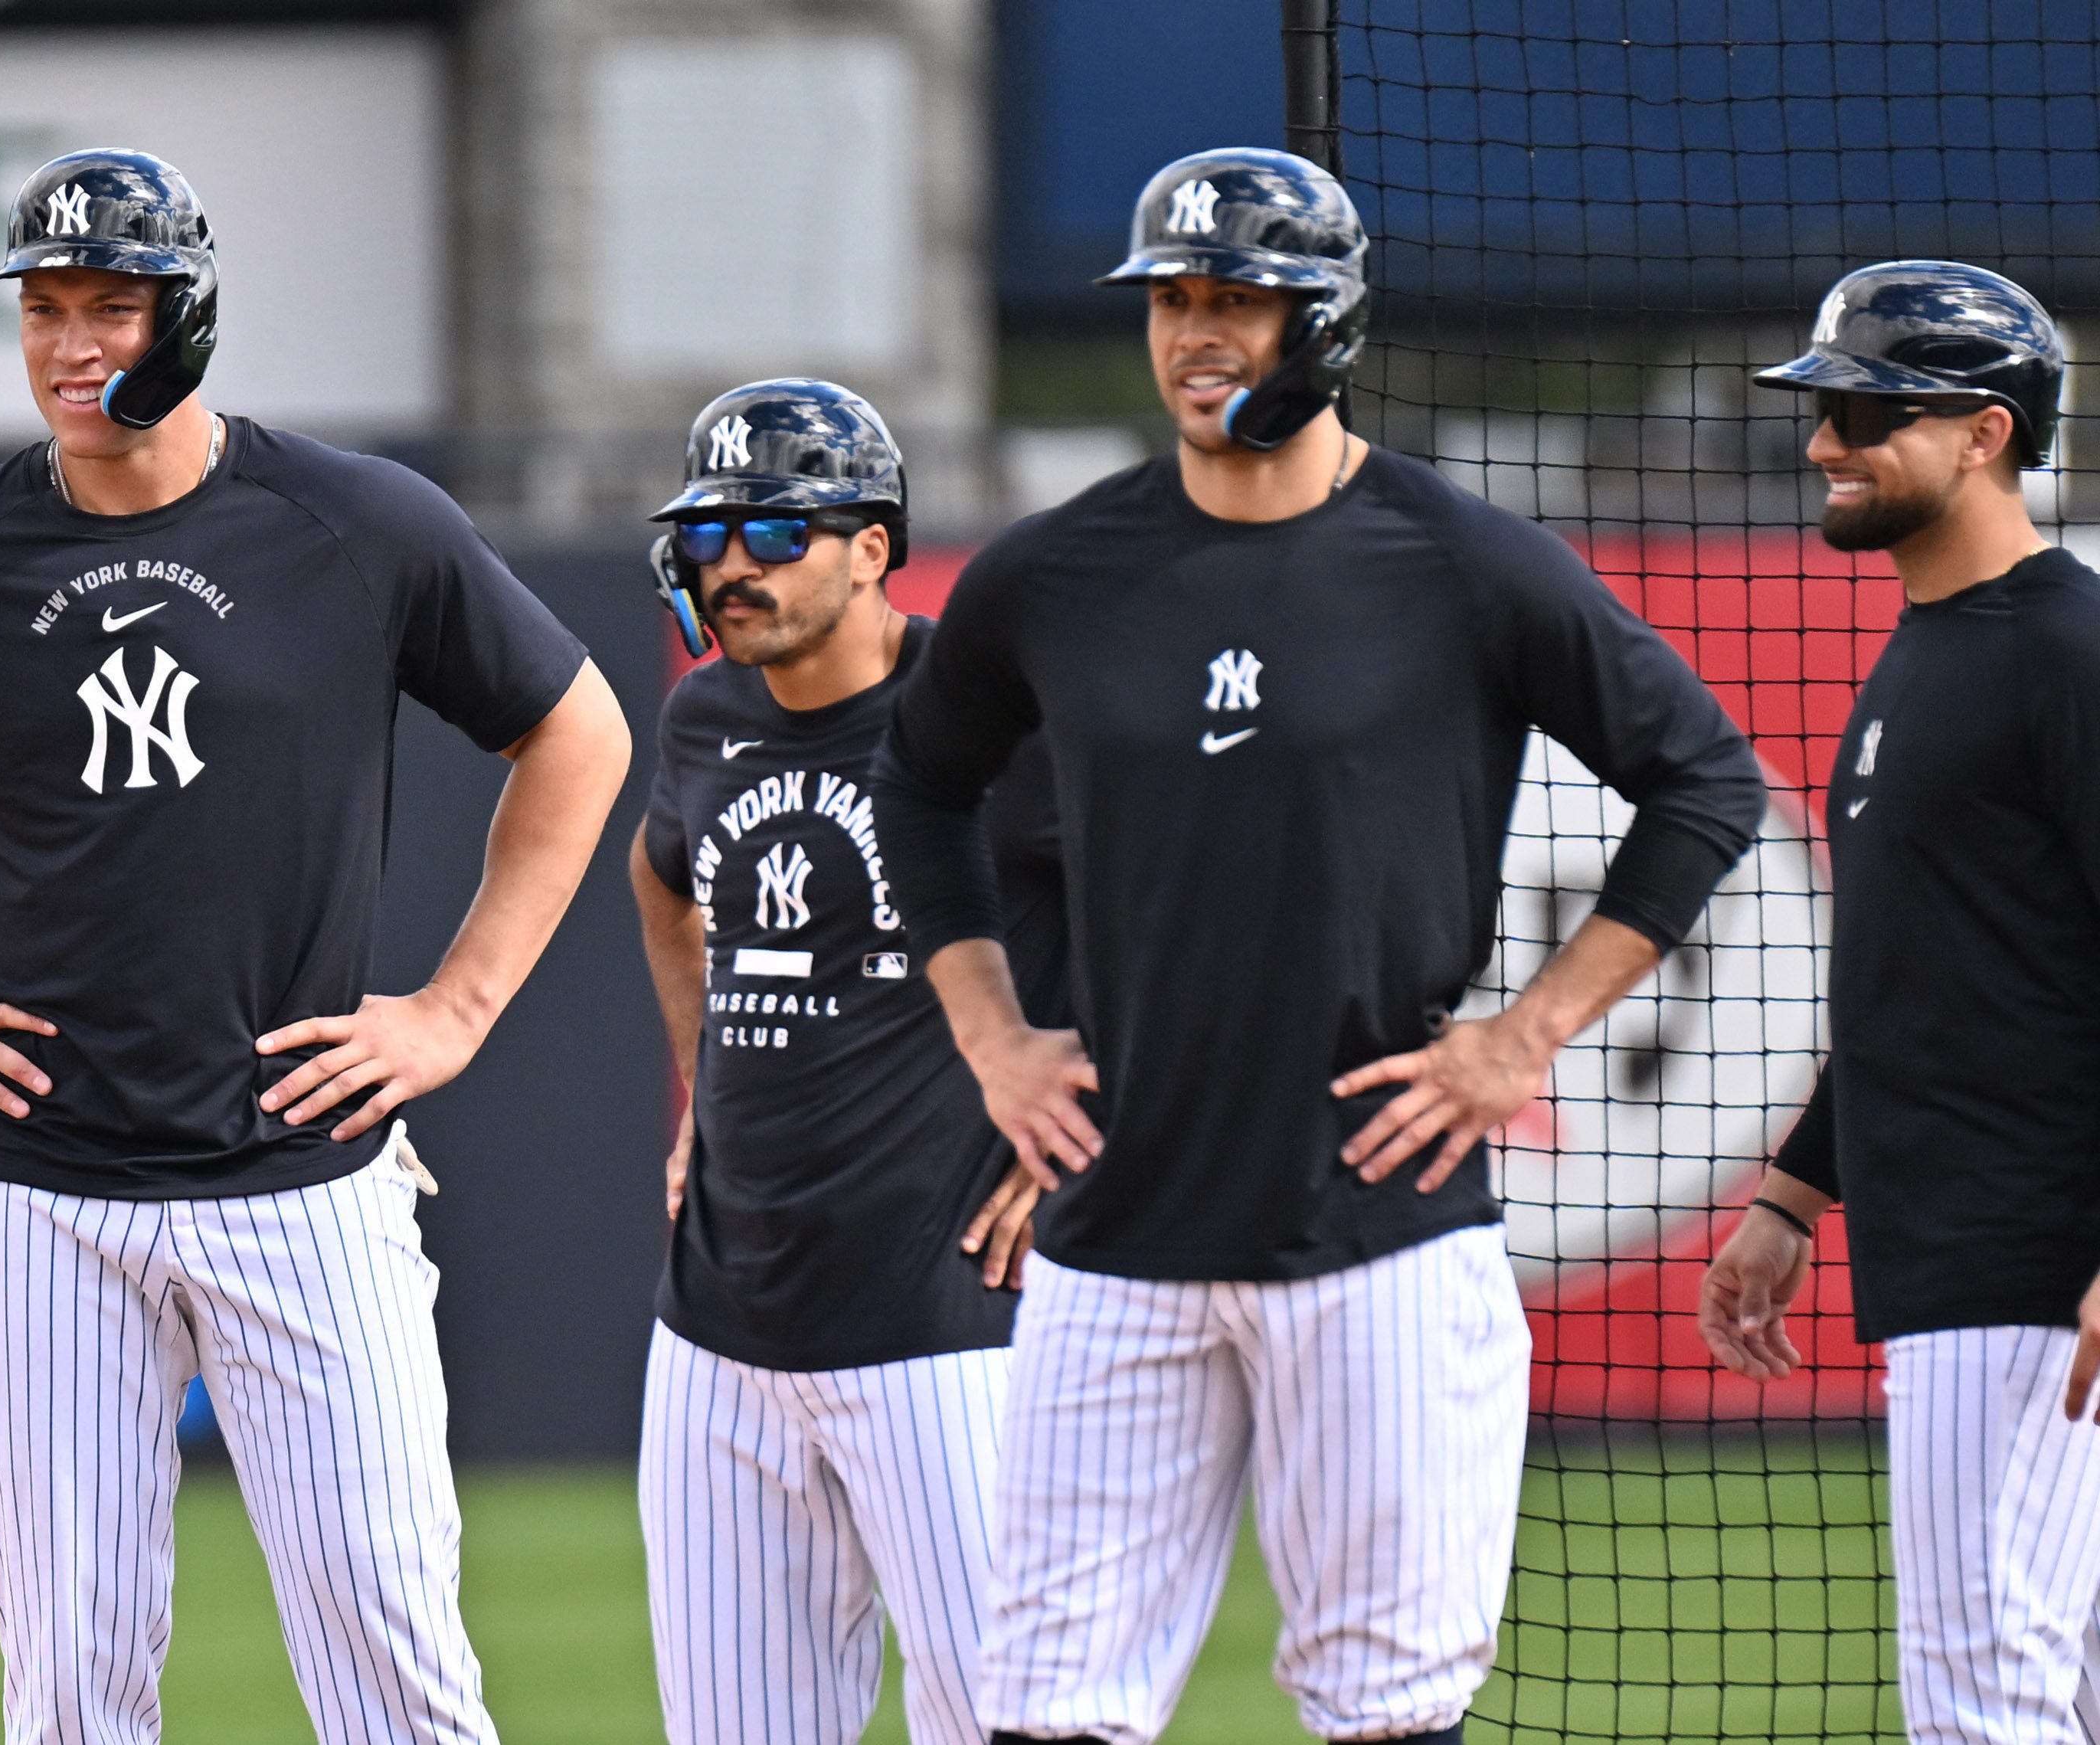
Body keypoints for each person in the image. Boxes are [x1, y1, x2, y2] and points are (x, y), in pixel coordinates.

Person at [869, 146, 1768, 1745]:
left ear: (1328, 327)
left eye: (1239, 304)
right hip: (1115, 1228)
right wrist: (991, 1035)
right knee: (1040, 1710)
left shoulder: (1457, 557)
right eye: (1171, 303)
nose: (1196, 337)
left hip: (1380, 1231)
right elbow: (919, 789)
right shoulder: (1048, 574)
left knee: (1384, 1711)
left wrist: (1523, 1036)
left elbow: (1700, 777)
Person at [0, 148, 630, 1743]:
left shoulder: (354, 524)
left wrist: (454, 1008)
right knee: (71, 1688)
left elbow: (576, 733)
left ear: (190, 314)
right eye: (47, 309)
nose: (76, 343)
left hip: (302, 1179)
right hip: (42, 1195)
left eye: (115, 304)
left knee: (395, 1673)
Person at [629, 379, 1065, 1745]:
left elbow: (1185, 903)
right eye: (710, 537)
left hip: (943, 1321)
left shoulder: (996, 717)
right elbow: (661, 885)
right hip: (717, 1329)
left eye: (776, 531)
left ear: (874, 545)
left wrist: (1082, 1125)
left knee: (1009, 1724)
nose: (735, 566)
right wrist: (701, 1083)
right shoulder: (705, 718)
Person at [1699, 260, 2100, 1745]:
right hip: (1968, 1262)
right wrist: (1793, 1194)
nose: (1822, 442)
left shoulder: (2063, 649)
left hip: (2032, 1272)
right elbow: (1925, 982)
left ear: (1982, 432)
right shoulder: (1925, 649)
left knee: (1980, 1690)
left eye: (1862, 410)